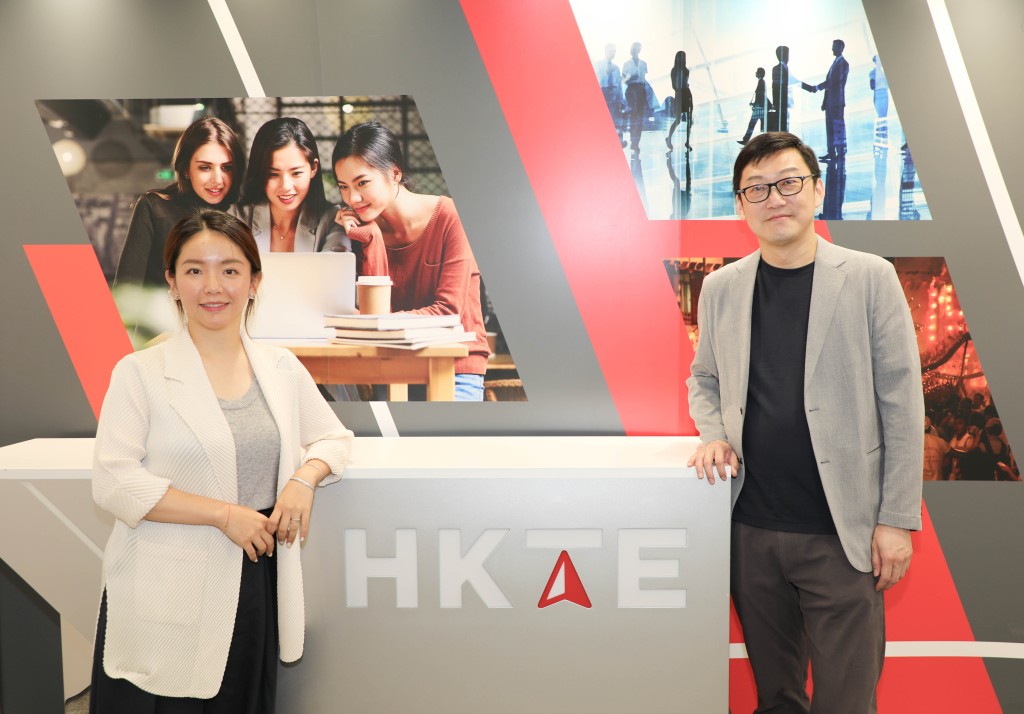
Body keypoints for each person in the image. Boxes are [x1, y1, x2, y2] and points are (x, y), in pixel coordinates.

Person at [686, 132, 924, 712]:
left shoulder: (869, 277)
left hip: (843, 534)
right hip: (752, 531)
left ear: (817, 191)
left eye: (789, 182)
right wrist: (713, 433)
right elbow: (704, 378)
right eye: (757, 188)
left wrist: (896, 519)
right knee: (777, 698)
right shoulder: (720, 288)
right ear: (741, 205)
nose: (775, 198)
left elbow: (902, 402)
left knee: (847, 700)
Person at [91, 209, 353, 711]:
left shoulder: (280, 367)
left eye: (230, 270)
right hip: (166, 584)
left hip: (253, 582)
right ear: (172, 283)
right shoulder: (139, 372)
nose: (213, 286)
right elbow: (114, 482)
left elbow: (333, 438)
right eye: (194, 270)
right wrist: (223, 514)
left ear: (254, 282)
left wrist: (304, 478)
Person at [330, 121, 491, 401]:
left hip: (455, 367)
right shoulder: (362, 232)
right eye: (343, 186)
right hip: (394, 366)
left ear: (395, 173)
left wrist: (376, 323)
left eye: (362, 183)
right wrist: (372, 240)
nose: (352, 198)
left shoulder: (452, 217)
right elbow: (375, 315)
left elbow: (448, 313)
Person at [115, 116, 244, 289]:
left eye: (226, 167)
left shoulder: (244, 213)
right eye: (205, 167)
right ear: (185, 170)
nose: (217, 180)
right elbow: (126, 289)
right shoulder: (154, 207)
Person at [233, 117, 345, 254]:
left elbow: (335, 266)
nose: (285, 186)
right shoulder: (238, 217)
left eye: (296, 173)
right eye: (273, 174)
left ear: (313, 168)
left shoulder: (333, 220)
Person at [803, 39, 850, 162]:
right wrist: (824, 102)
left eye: (834, 47)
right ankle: (831, 152)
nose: (832, 49)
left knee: (838, 127)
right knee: (829, 128)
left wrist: (816, 88)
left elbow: (832, 81)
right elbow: (829, 84)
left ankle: (841, 152)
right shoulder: (834, 63)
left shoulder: (844, 64)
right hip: (830, 102)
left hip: (837, 101)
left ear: (841, 48)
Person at [593, 43, 626, 147]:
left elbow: (619, 85)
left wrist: (621, 100)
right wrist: (606, 73)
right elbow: (596, 81)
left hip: (614, 95)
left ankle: (617, 141)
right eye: (611, 51)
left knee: (615, 119)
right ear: (606, 51)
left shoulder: (616, 67)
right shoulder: (598, 65)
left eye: (614, 51)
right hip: (603, 93)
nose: (613, 53)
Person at [622, 42, 648, 156]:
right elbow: (624, 80)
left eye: (635, 49)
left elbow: (644, 79)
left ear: (639, 50)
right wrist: (632, 78)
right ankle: (633, 140)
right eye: (632, 49)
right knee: (634, 116)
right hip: (632, 90)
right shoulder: (626, 64)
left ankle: (637, 142)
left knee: (640, 117)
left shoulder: (643, 64)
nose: (633, 51)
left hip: (641, 90)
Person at [666, 50, 693, 152]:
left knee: (689, 120)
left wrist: (683, 87)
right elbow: (673, 85)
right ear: (677, 58)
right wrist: (680, 88)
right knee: (678, 119)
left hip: (687, 94)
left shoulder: (686, 70)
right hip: (679, 94)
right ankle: (669, 138)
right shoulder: (674, 70)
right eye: (680, 57)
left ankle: (687, 142)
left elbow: (686, 82)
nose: (682, 59)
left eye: (683, 57)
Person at [738, 67, 768, 146]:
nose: (756, 73)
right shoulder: (761, 82)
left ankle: (746, 140)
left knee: (752, 125)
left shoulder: (761, 82)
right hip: (761, 108)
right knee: (762, 126)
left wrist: (755, 104)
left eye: (757, 72)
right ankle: (763, 142)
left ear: (760, 73)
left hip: (759, 108)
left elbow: (761, 96)